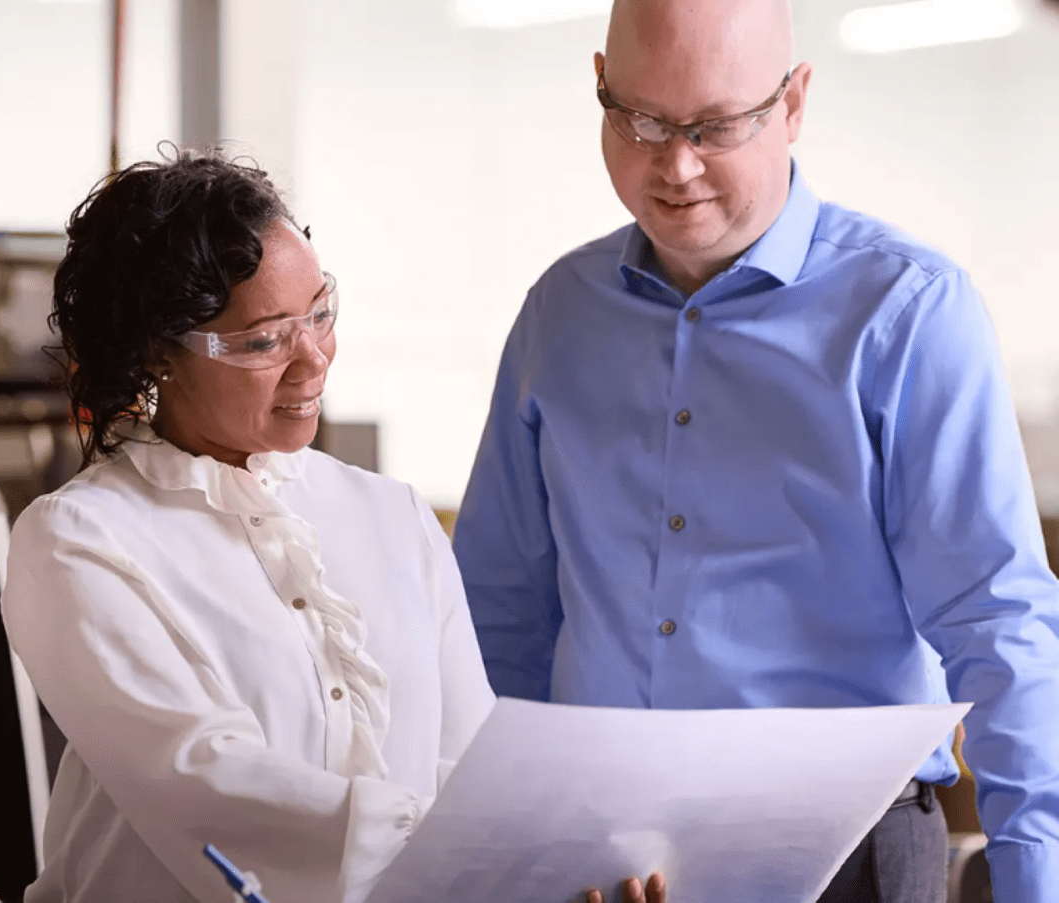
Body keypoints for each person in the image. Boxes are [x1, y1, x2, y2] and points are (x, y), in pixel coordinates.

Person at [452, 1, 1059, 901]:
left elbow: (999, 625)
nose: (677, 164)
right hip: (604, 854)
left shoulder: (907, 314)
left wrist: (1035, 881)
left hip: (847, 852)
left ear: (795, 102)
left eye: (717, 126)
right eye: (642, 121)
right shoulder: (560, 314)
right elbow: (494, 621)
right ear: (600, 88)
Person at [0, 148, 663, 903]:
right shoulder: (78, 542)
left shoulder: (394, 517)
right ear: (159, 355)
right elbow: (210, 792)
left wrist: (570, 862)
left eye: (320, 312)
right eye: (264, 340)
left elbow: (472, 766)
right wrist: (504, 854)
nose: (313, 359)